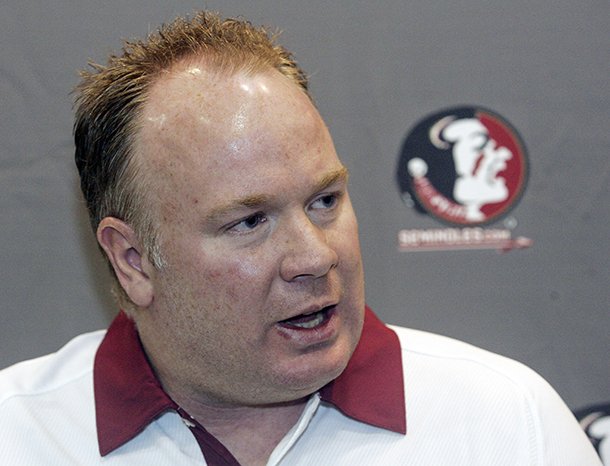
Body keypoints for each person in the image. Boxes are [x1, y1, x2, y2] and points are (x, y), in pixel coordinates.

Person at [0, 11, 601, 466]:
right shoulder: (19, 434)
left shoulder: (509, 425)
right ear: (133, 260)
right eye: (249, 222)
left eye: (325, 201)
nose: (316, 256)